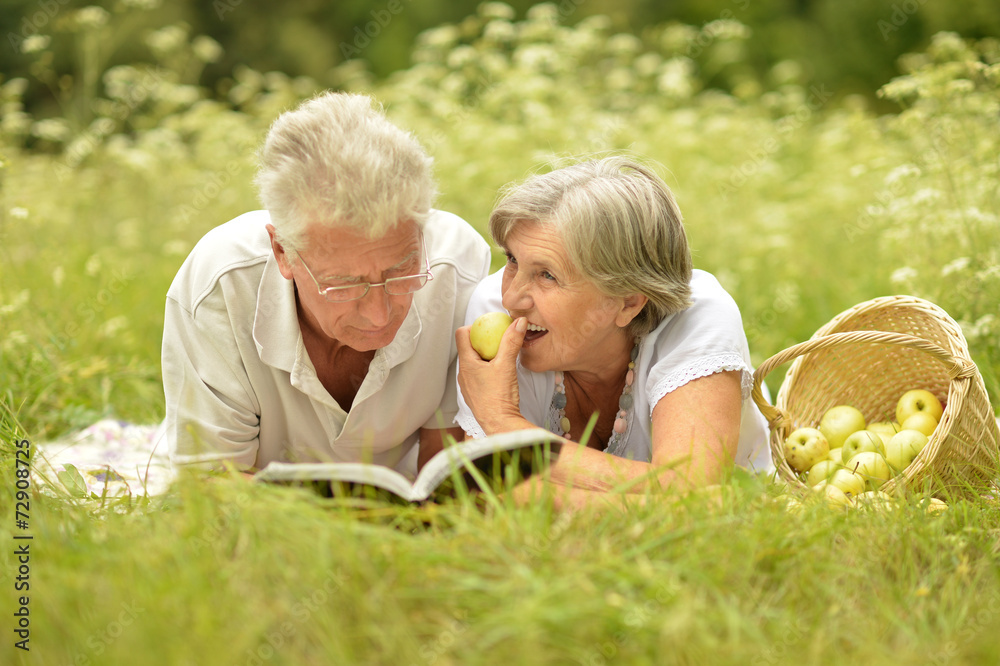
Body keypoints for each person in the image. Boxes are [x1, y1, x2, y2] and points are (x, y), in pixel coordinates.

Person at [162, 91, 491, 475]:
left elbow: (448, 464)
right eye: (344, 285)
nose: (379, 315)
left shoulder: (456, 266)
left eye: (400, 273)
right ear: (282, 252)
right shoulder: (222, 283)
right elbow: (212, 482)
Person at [455, 156, 772, 505]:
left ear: (627, 303)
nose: (512, 298)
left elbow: (688, 491)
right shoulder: (494, 307)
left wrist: (504, 424)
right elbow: (485, 491)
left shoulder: (700, 317)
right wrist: (653, 504)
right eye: (513, 259)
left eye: (547, 275)